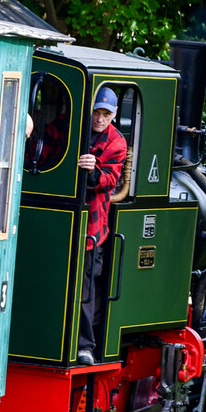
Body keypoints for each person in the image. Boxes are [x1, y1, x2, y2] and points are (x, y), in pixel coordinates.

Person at [76, 87, 127, 365]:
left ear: (114, 115)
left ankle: (85, 345)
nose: (99, 118)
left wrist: (92, 169)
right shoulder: (73, 127)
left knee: (85, 289)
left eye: (105, 114)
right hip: (65, 219)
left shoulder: (117, 143)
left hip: (91, 228)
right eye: (97, 112)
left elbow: (108, 180)